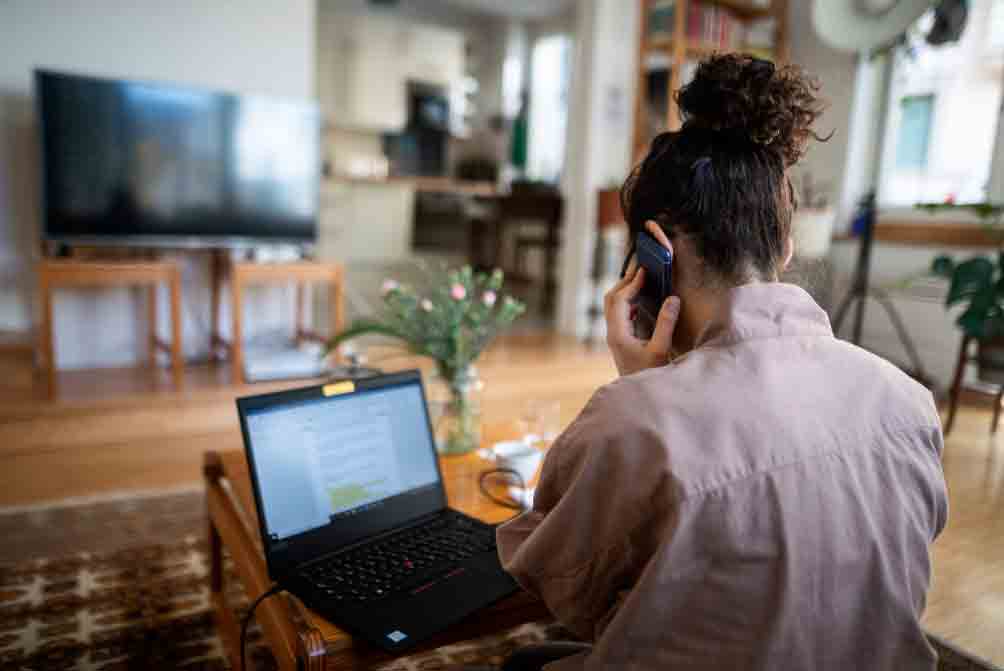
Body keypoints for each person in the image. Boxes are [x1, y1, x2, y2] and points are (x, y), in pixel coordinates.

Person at [496, 54, 948, 670]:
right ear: (784, 245)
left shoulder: (632, 422)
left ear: (652, 249)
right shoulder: (909, 402)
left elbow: (555, 580)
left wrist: (646, 391)